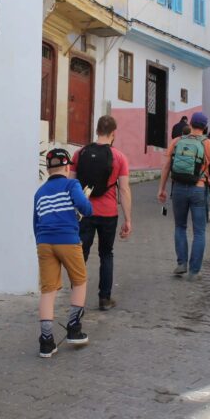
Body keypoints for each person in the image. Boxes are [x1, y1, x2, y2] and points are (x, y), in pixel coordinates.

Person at [34, 148, 94, 358]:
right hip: (67, 239)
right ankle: (74, 329)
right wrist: (86, 205)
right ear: (68, 168)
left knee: (48, 290)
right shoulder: (72, 184)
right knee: (79, 281)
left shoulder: (39, 192)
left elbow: (36, 222)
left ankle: (46, 341)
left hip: (44, 242)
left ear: (48, 170)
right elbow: (84, 207)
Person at [71, 116, 132, 311]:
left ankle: (76, 297)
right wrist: (128, 219)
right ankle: (104, 299)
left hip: (84, 212)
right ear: (114, 133)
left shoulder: (80, 153)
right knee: (106, 254)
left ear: (96, 130)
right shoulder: (119, 157)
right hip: (108, 213)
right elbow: (123, 190)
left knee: (81, 254)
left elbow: (71, 184)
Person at [157, 112, 210, 280]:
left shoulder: (177, 141)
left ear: (191, 124)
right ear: (205, 127)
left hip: (178, 188)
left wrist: (162, 189)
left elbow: (166, 167)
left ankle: (181, 264)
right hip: (199, 190)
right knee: (199, 231)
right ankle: (194, 271)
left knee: (180, 227)